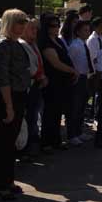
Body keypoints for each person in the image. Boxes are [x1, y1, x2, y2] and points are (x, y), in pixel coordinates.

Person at [0, 9, 30, 200]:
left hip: (18, 96)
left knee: (10, 143)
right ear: (9, 23)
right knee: (3, 143)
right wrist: (9, 106)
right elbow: (2, 78)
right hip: (7, 98)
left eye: (24, 21)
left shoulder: (16, 44)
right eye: (19, 22)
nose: (23, 25)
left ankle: (8, 180)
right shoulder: (3, 45)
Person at [39, 14, 78, 153]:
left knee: (57, 114)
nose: (56, 28)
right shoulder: (45, 42)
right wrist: (72, 70)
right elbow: (55, 63)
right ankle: (46, 142)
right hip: (52, 83)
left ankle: (56, 140)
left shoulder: (58, 41)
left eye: (57, 24)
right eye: (53, 25)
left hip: (62, 82)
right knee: (50, 113)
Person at [19, 17, 48, 156]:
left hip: (36, 86)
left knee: (33, 116)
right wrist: (40, 76)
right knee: (28, 117)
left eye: (36, 28)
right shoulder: (22, 44)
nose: (35, 31)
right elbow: (29, 67)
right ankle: (25, 148)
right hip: (29, 86)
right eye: (32, 28)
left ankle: (31, 144)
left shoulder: (33, 44)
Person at [67, 20, 94, 146]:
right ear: (78, 32)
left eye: (88, 30)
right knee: (74, 108)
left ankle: (79, 132)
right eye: (85, 30)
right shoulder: (75, 46)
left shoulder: (84, 44)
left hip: (85, 77)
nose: (87, 33)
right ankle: (72, 134)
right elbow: (70, 62)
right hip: (77, 78)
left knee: (82, 106)